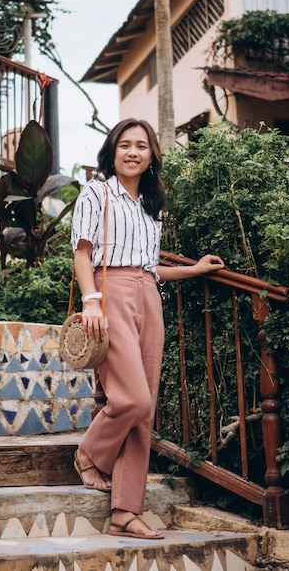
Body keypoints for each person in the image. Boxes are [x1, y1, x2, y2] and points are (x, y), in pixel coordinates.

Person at [71, 118, 224, 540]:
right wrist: (92, 301)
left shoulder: (152, 204)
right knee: (131, 398)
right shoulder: (97, 192)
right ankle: (90, 453)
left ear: (153, 154)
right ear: (112, 151)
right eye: (125, 145)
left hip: (147, 297)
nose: (133, 152)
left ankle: (125, 512)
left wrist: (192, 270)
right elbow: (83, 254)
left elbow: (148, 267)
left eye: (142, 145)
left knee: (146, 406)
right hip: (109, 294)